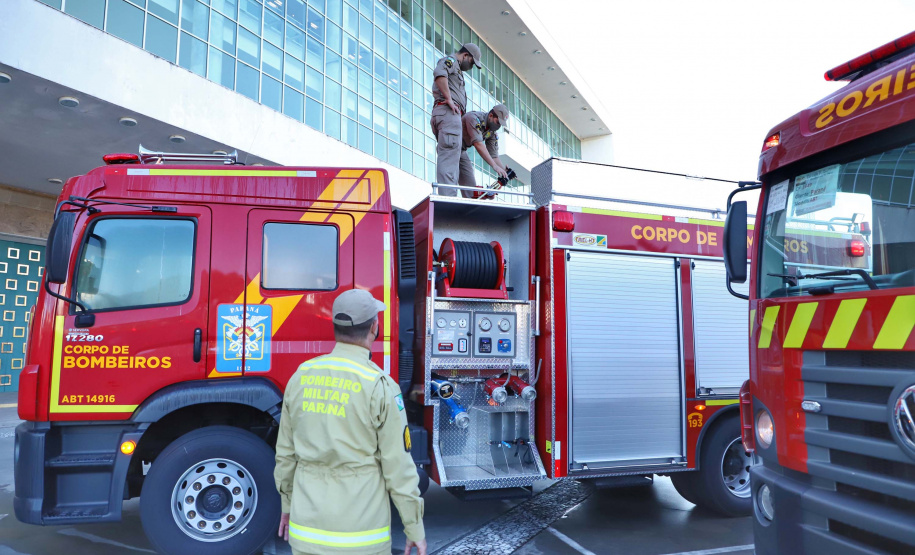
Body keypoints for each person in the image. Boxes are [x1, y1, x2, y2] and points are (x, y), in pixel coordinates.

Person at [275, 289, 426, 555]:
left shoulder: (302, 376)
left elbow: (285, 455)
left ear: (335, 328)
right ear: (374, 328)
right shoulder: (380, 386)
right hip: (361, 539)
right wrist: (414, 528)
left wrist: (287, 506)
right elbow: (398, 468)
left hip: (305, 533)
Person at [430, 43, 482, 196]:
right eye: (472, 62)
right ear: (465, 55)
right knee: (449, 158)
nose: (471, 66)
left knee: (456, 155)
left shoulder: (456, 68)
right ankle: (448, 199)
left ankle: (471, 198)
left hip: (448, 115)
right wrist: (449, 99)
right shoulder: (450, 61)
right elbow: (440, 73)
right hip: (449, 114)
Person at [457, 104, 510, 198]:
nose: (498, 126)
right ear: (490, 116)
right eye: (498, 122)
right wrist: (494, 166)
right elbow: (478, 144)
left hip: (461, 150)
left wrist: (505, 172)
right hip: (451, 146)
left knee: (471, 189)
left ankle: (470, 207)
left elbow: (494, 156)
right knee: (450, 178)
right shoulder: (473, 118)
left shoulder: (492, 131)